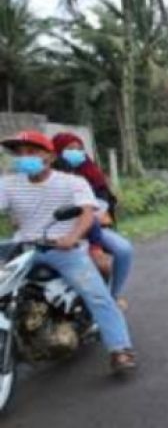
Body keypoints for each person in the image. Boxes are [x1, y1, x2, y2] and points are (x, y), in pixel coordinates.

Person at [0, 131, 136, 373]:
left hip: (61, 247)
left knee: (96, 295)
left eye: (31, 152)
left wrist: (71, 237)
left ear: (50, 157)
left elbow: (86, 213)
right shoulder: (8, 183)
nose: (24, 158)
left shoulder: (72, 182)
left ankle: (120, 349)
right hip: (23, 247)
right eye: (19, 153)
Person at [51, 132, 134, 309]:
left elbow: (102, 203)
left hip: (92, 226)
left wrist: (92, 229)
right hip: (58, 228)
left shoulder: (91, 172)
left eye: (79, 149)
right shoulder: (50, 174)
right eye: (70, 149)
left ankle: (114, 295)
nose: (76, 152)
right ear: (57, 151)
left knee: (123, 249)